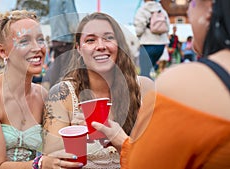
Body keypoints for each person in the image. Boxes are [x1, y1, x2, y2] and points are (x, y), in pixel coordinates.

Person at [92, 0, 230, 168]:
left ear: (209, 7)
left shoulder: (181, 84)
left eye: (191, 3)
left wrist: (125, 145)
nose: (188, 12)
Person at [0, 10, 83, 169]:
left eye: (40, 40)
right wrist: (40, 164)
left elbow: (56, 147)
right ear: (2, 51)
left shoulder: (42, 95)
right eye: (24, 41)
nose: (37, 48)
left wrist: (79, 124)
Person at [43, 12, 154, 168]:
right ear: (79, 49)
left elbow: (160, 157)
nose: (101, 46)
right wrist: (72, 139)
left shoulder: (144, 88)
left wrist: (122, 142)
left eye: (108, 38)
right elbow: (52, 162)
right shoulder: (62, 95)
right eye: (90, 40)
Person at [42, 0, 79, 89]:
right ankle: (66, 95)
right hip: (66, 39)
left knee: (58, 70)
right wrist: (78, 34)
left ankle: (53, 94)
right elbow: (72, 19)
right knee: (68, 71)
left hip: (56, 38)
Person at [134, 0, 170, 79]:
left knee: (144, 73)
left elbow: (139, 29)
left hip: (147, 44)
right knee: (150, 70)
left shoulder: (143, 10)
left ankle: (146, 90)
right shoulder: (161, 10)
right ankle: (152, 87)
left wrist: (138, 35)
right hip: (161, 45)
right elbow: (167, 27)